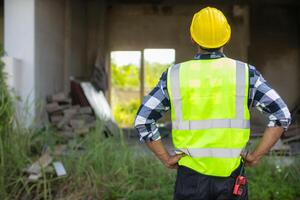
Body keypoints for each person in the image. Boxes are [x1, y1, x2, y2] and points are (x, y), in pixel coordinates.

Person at [134, 7, 291, 200]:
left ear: (193, 38)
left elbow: (143, 119)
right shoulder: (245, 74)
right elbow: (281, 115)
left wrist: (165, 158)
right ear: (227, 38)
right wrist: (256, 155)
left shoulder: (175, 75)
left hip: (190, 181)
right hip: (232, 178)